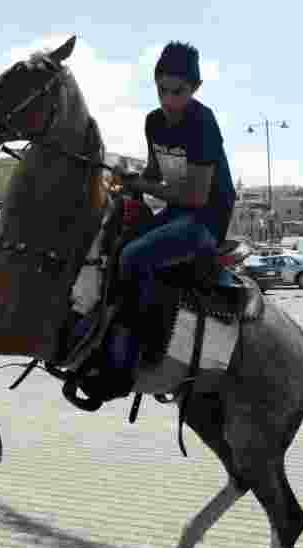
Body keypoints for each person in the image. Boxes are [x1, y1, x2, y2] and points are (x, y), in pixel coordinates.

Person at [112, 41, 236, 366]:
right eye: (161, 90)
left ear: (195, 88)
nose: (168, 100)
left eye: (178, 92)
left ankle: (150, 346)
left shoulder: (202, 122)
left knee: (132, 256)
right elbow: (155, 172)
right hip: (176, 213)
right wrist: (128, 177)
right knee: (115, 244)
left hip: (206, 219)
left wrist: (144, 185)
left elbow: (196, 197)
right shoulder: (153, 121)